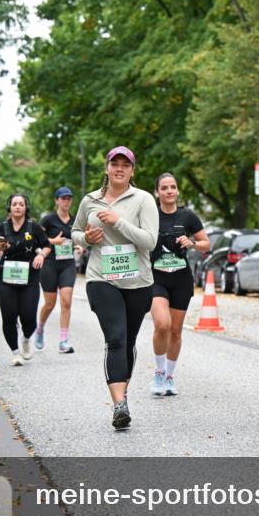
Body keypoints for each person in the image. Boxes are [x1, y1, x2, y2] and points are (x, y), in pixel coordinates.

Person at [71, 146, 158, 430]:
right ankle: (119, 405)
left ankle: (123, 393)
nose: (119, 169)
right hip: (101, 278)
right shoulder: (90, 200)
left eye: (125, 165)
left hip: (138, 281)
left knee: (129, 341)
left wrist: (117, 222)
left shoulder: (143, 199)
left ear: (132, 171)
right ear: (107, 168)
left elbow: (149, 241)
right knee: (116, 338)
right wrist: (86, 237)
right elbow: (75, 232)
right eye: (114, 164)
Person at [148, 173, 209, 396]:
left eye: (173, 187)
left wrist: (191, 242)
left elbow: (206, 244)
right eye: (164, 188)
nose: (169, 191)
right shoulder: (150, 215)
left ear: (177, 191)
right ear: (157, 192)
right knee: (162, 324)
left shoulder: (187, 216)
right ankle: (158, 372)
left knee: (175, 331)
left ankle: (170, 376)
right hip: (156, 278)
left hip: (181, 279)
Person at [0, 194, 51, 366]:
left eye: (21, 204)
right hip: (6, 278)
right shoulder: (1, 228)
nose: (17, 207)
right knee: (9, 316)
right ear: (9, 207)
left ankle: (26, 338)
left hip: (29, 278)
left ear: (26, 207)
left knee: (28, 316)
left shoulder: (34, 228)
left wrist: (42, 256)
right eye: (14, 204)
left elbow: (47, 245)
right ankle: (15, 352)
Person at [36, 187, 79, 354]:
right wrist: (53, 241)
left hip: (67, 264)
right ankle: (40, 329)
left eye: (69, 198)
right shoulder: (48, 220)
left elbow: (78, 238)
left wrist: (79, 245)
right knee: (50, 304)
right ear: (56, 200)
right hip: (49, 264)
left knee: (66, 301)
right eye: (63, 198)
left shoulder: (75, 221)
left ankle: (63, 341)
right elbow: (37, 240)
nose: (66, 201)